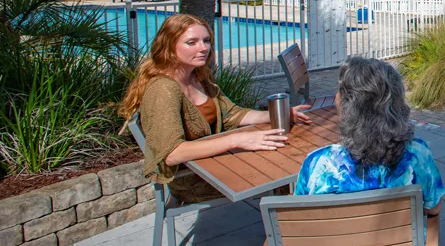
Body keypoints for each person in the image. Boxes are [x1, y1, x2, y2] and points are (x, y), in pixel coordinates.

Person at [293, 56, 445, 246]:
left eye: (339, 91)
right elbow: (434, 208)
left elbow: (299, 226)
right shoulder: (417, 155)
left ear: (346, 104)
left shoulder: (318, 164)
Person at [120, 13, 311, 204]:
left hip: (215, 163)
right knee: (284, 172)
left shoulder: (197, 77)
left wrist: (276, 115)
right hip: (193, 179)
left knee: (289, 161)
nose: (203, 48)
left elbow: (232, 114)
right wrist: (236, 140)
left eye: (206, 41)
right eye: (192, 42)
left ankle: (287, 226)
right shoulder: (163, 89)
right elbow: (172, 154)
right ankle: (286, 229)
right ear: (169, 46)